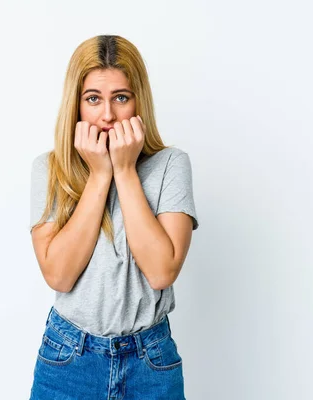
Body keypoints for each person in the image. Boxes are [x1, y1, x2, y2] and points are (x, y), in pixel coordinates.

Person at [28, 34, 199, 400]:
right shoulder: (51, 169)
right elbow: (58, 274)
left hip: (149, 361)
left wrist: (123, 170)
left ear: (139, 101)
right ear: (76, 104)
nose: (107, 115)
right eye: (93, 99)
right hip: (68, 358)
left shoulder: (170, 165)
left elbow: (161, 270)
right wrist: (100, 174)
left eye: (121, 97)